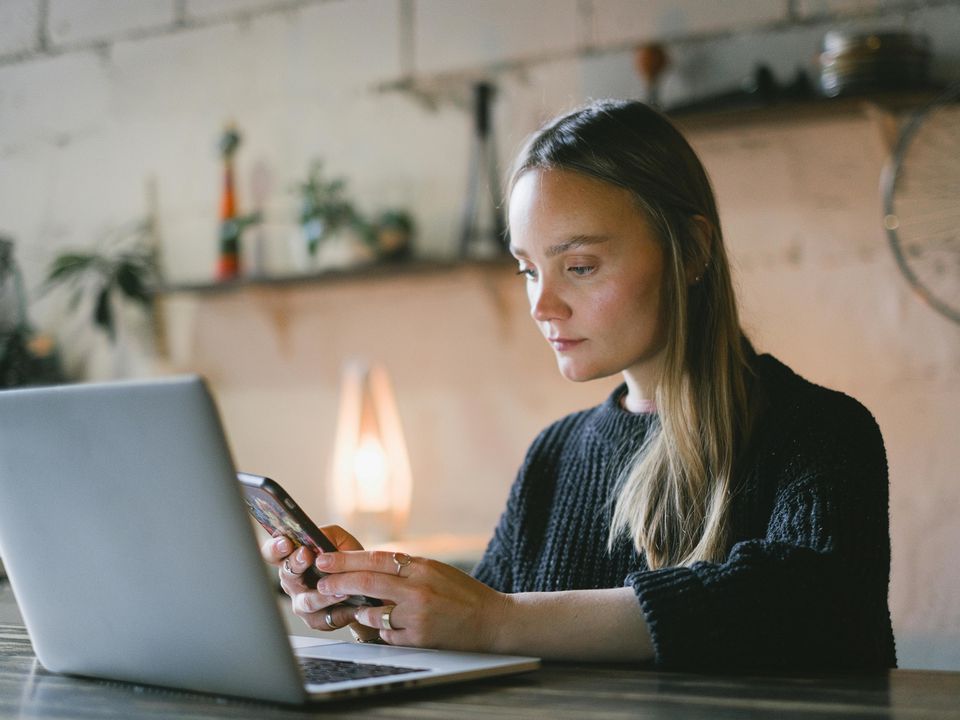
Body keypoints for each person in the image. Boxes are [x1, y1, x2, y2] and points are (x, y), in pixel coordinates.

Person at [262, 99, 896, 672]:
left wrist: (496, 619)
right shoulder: (555, 455)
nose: (543, 304)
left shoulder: (821, 432)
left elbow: (801, 605)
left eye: (580, 266)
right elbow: (479, 639)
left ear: (694, 249)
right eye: (528, 269)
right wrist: (378, 604)